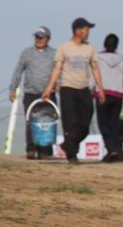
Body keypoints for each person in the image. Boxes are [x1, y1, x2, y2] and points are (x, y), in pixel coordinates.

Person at [41, 18, 106, 164]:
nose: (87, 33)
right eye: (86, 29)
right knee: (70, 123)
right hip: (67, 88)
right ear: (77, 30)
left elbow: (95, 68)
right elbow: (57, 68)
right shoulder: (64, 47)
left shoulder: (90, 48)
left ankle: (67, 144)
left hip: (84, 89)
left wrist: (101, 89)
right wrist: (49, 88)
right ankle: (72, 154)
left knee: (85, 123)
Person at [8, 26, 57, 159]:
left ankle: (46, 151)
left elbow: (59, 71)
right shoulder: (26, 53)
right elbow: (18, 71)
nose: (38, 40)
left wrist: (61, 84)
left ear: (48, 39)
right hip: (31, 93)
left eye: (41, 37)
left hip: (49, 94)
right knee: (31, 121)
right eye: (36, 37)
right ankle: (31, 149)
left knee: (48, 122)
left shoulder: (54, 53)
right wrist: (12, 89)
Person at [95, 33, 123, 162]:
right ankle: (113, 151)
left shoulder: (97, 58)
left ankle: (112, 149)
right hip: (118, 95)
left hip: (102, 94)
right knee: (113, 125)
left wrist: (93, 88)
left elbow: (94, 76)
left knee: (103, 125)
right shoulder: (122, 60)